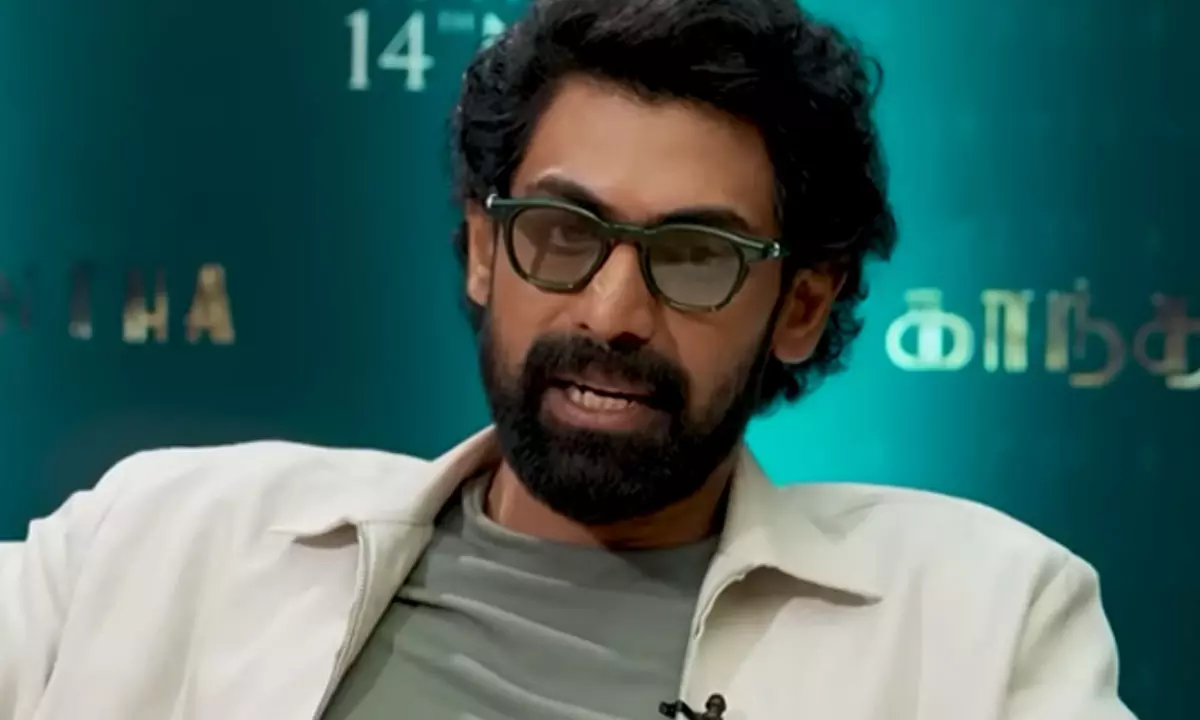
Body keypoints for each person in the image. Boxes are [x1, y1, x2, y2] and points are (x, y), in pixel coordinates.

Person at [0, 1, 1137, 719]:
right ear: (482, 252)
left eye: (695, 255)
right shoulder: (158, 538)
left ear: (801, 305)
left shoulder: (981, 624)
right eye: (561, 232)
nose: (613, 310)